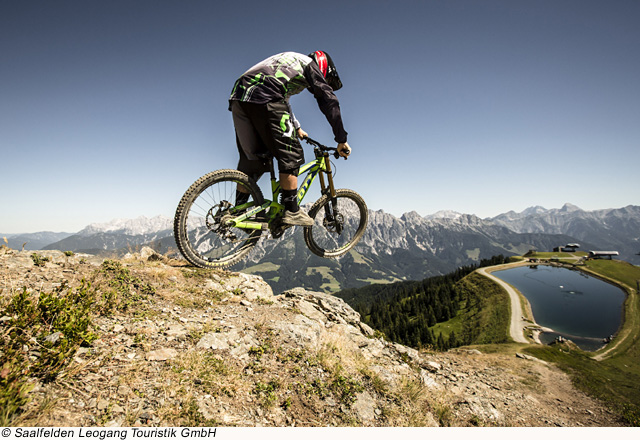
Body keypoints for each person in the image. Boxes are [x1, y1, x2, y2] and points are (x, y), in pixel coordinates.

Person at [229, 51, 351, 226]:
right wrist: (341, 139)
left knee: (253, 160)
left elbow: (283, 102)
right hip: (265, 95)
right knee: (291, 154)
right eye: (327, 79)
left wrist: (298, 127)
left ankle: (238, 211)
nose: (326, 83)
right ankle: (292, 210)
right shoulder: (310, 65)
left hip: (239, 95)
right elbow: (328, 99)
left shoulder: (289, 63)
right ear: (324, 67)